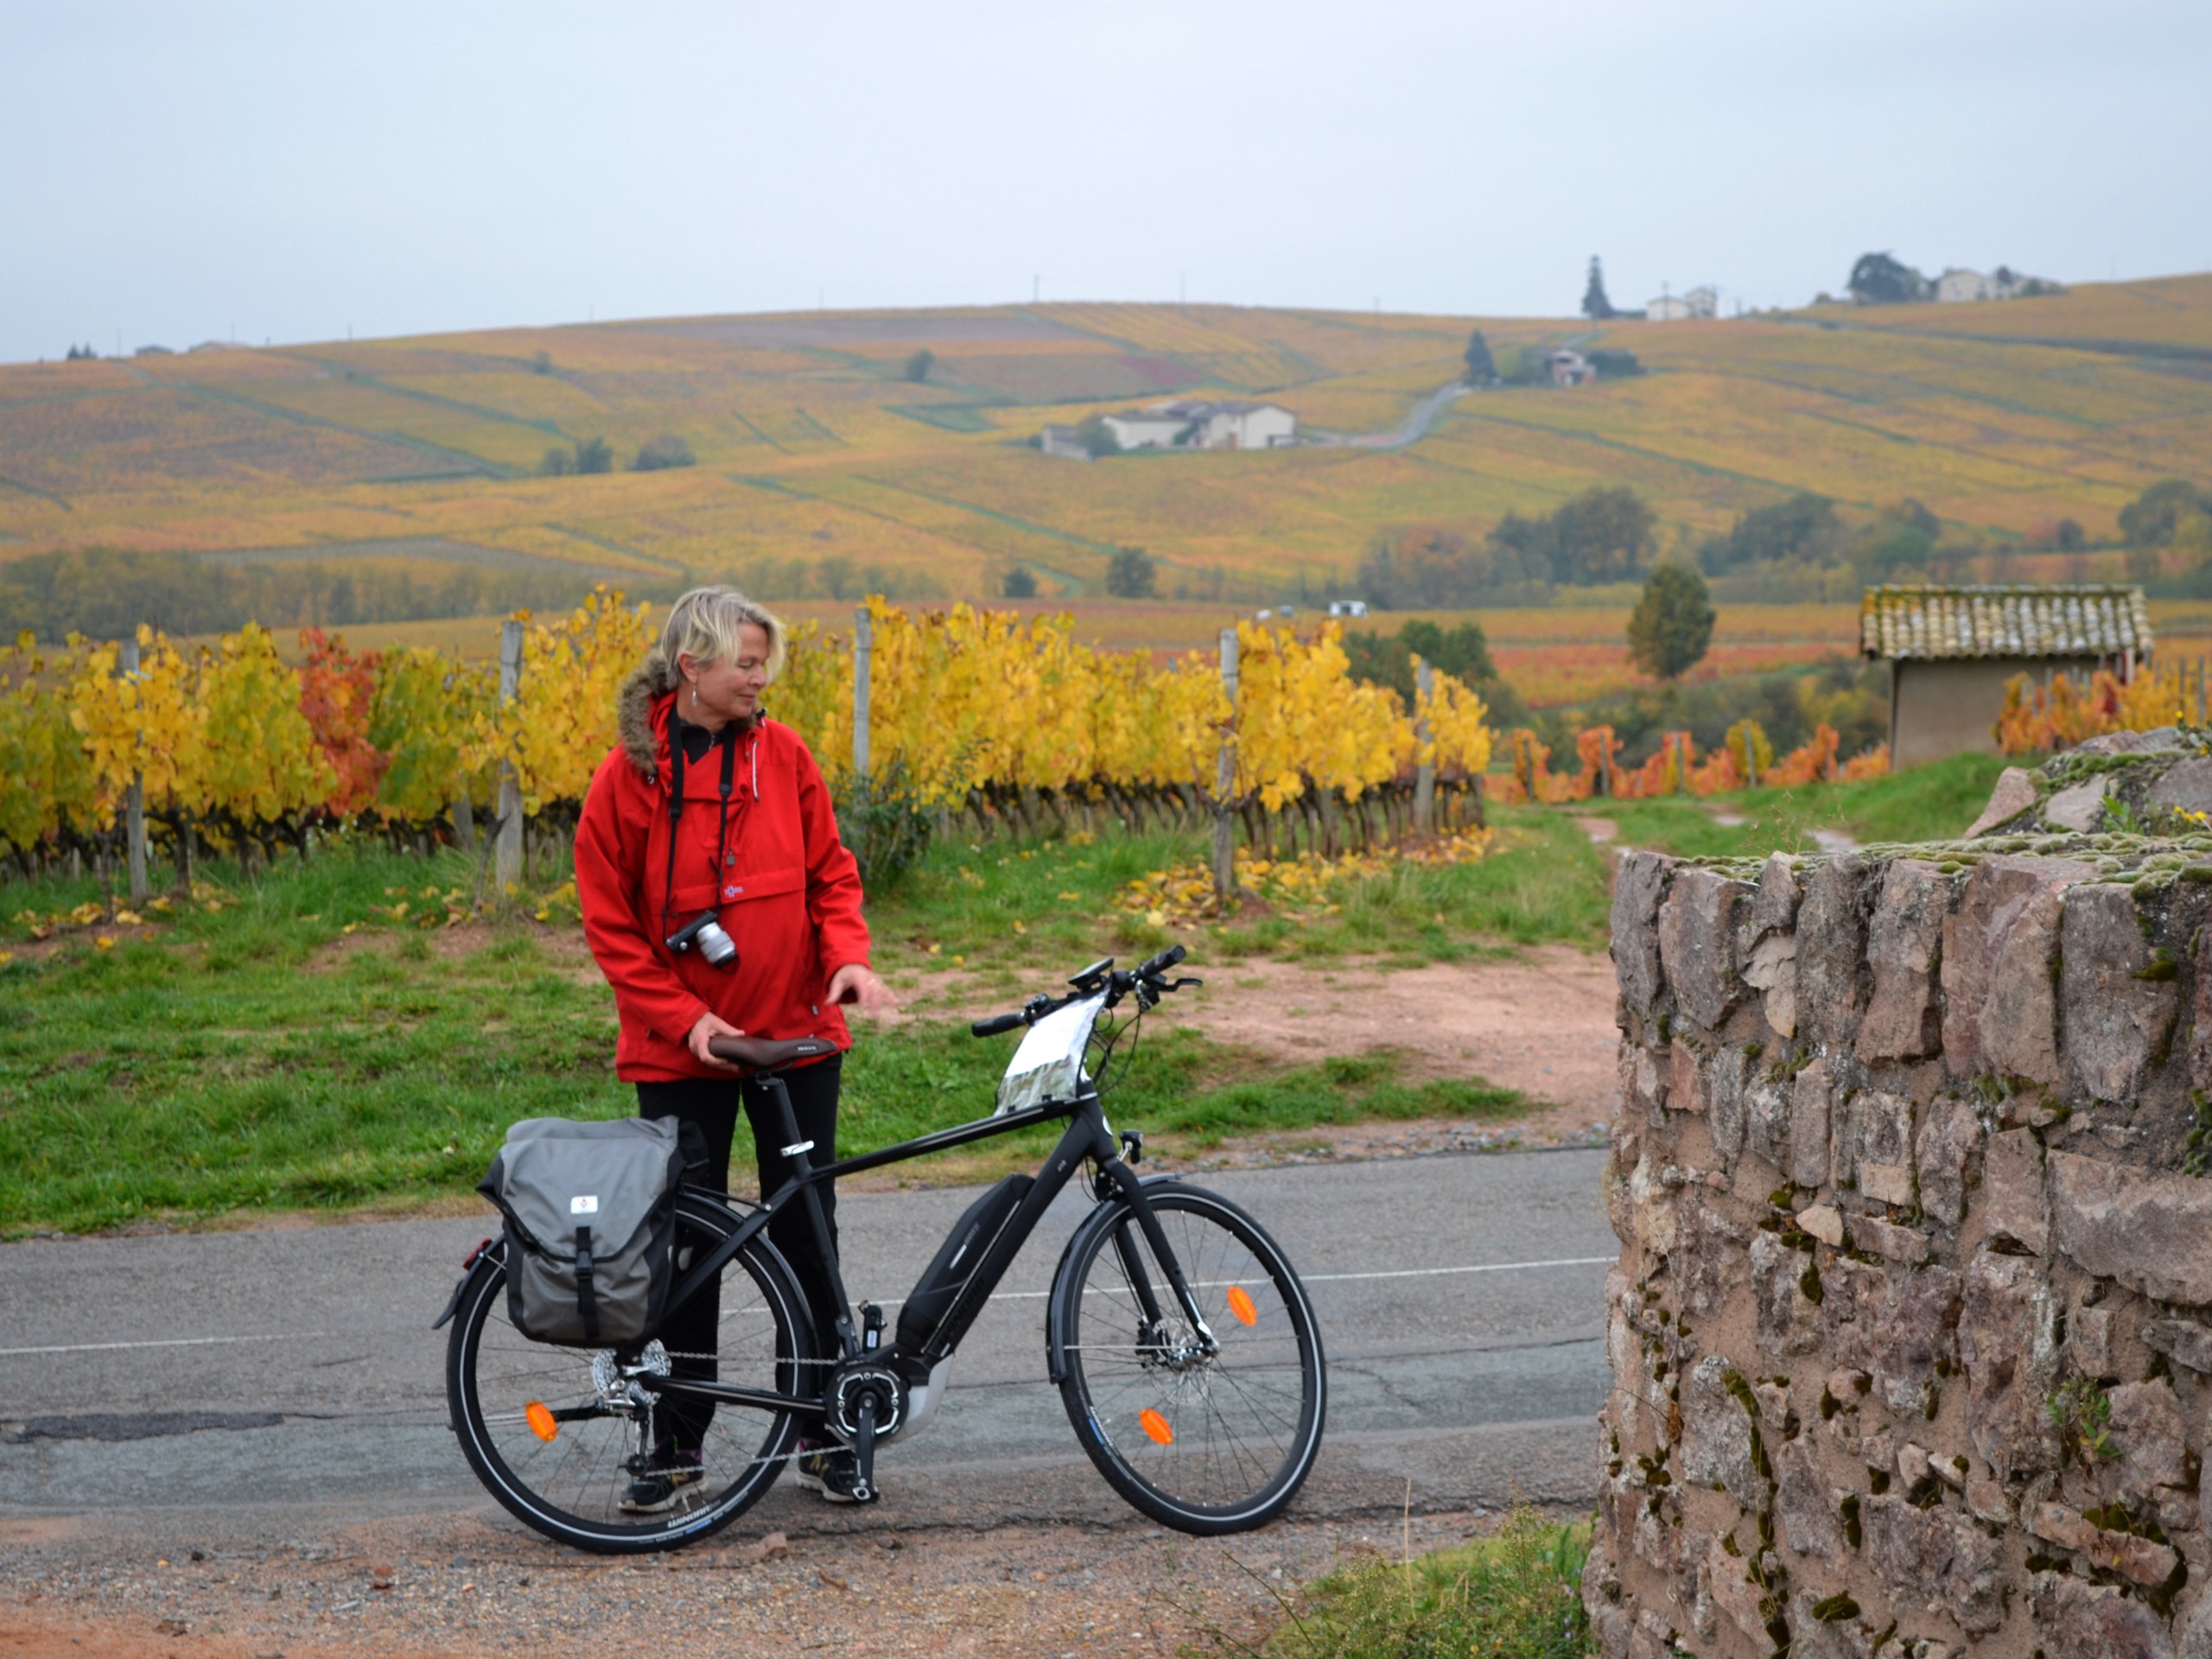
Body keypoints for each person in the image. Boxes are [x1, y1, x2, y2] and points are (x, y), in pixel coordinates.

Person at [575, 586, 894, 1512]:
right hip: (682, 1053)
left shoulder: (785, 756)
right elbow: (613, 930)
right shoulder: (621, 783)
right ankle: (674, 1447)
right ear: (693, 669)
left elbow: (832, 873)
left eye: (765, 662)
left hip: (796, 1037)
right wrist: (690, 1023)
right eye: (746, 663)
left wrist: (847, 961)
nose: (762, 678)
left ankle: (825, 1428)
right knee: (685, 1247)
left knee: (807, 1235)